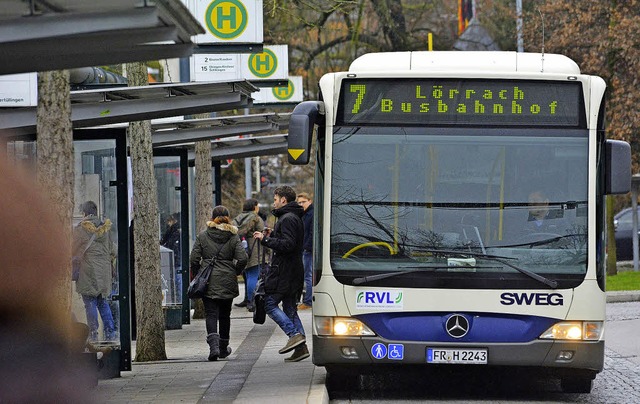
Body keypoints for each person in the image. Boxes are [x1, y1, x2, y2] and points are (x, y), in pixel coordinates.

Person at [253, 185, 309, 362]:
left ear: (283, 200)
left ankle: (294, 335)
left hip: (285, 271)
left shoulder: (287, 218)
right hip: (292, 270)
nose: (274, 202)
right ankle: (301, 348)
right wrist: (273, 234)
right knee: (290, 308)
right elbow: (288, 240)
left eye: (276, 199)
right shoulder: (291, 217)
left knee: (269, 303)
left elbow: (288, 244)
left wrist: (266, 239)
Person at [190, 206, 248, 361]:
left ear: (212, 218)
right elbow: (242, 258)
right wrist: (235, 270)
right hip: (227, 278)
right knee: (224, 315)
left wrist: (198, 273)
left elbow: (193, 258)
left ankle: (213, 348)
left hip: (208, 280)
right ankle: (223, 348)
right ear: (228, 218)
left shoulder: (203, 236)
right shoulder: (233, 237)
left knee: (211, 314)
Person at [73, 201, 117, 342]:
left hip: (88, 271)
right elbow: (113, 250)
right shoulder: (105, 228)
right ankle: (110, 331)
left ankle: (93, 333)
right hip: (103, 272)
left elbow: (71, 248)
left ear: (84, 213)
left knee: (90, 302)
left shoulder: (81, 229)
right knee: (102, 302)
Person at [232, 199, 265, 312]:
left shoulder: (238, 218)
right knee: (253, 275)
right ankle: (251, 302)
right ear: (254, 207)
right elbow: (261, 232)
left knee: (246, 274)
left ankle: (246, 299)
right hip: (255, 249)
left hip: (241, 248)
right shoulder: (256, 218)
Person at [296, 192, 314, 310]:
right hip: (305, 248)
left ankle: (308, 301)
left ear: (310, 201)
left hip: (308, 249)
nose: (301, 204)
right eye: (299, 202)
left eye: (303, 202)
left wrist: (307, 247)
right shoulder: (304, 214)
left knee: (308, 275)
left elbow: (312, 233)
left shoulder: (311, 214)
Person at [160, 213, 182, 301]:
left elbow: (173, 247)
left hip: (175, 261)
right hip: (175, 261)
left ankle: (179, 300)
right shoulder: (173, 232)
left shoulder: (174, 232)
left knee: (177, 282)